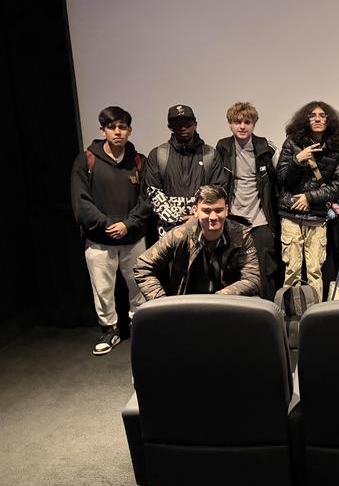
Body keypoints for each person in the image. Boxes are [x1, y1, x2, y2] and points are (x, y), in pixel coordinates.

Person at [71, 106, 149, 355]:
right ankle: (109, 329)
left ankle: (140, 326)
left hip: (133, 237)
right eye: (112, 127)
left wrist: (128, 224)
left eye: (122, 127)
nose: (118, 132)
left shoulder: (139, 161)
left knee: (138, 285)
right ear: (103, 129)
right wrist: (107, 225)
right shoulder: (86, 160)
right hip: (99, 239)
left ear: (129, 130)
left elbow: (147, 199)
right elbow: (81, 201)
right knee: (102, 288)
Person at [133, 184, 260, 299]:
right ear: (195, 211)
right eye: (206, 211)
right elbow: (142, 266)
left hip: (228, 303)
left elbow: (252, 279)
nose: (213, 217)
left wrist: (219, 298)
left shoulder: (241, 236)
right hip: (187, 305)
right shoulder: (179, 235)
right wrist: (161, 301)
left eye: (218, 210)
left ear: (226, 210)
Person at [276, 101, 339, 302]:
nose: (317, 118)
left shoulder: (337, 148)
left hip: (317, 216)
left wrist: (309, 197)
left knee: (315, 272)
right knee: (292, 270)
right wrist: (297, 160)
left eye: (322, 115)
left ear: (329, 119)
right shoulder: (292, 143)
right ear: (304, 120)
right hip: (291, 215)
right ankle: (290, 319)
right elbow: (282, 179)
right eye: (312, 115)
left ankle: (315, 315)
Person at [216, 102, 281, 299]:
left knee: (266, 272)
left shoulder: (266, 148)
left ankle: (268, 315)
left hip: (261, 220)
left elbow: (281, 179)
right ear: (230, 124)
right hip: (233, 221)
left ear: (254, 124)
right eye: (237, 122)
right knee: (234, 272)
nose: (242, 126)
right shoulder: (223, 148)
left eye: (247, 122)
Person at [144, 104, 226, 238]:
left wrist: (197, 216)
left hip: (204, 226)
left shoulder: (210, 155)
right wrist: (178, 218)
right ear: (170, 127)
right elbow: (153, 192)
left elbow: (217, 190)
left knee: (203, 259)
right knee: (171, 259)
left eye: (187, 123)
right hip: (168, 230)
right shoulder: (158, 154)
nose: (182, 127)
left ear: (195, 124)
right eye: (177, 124)